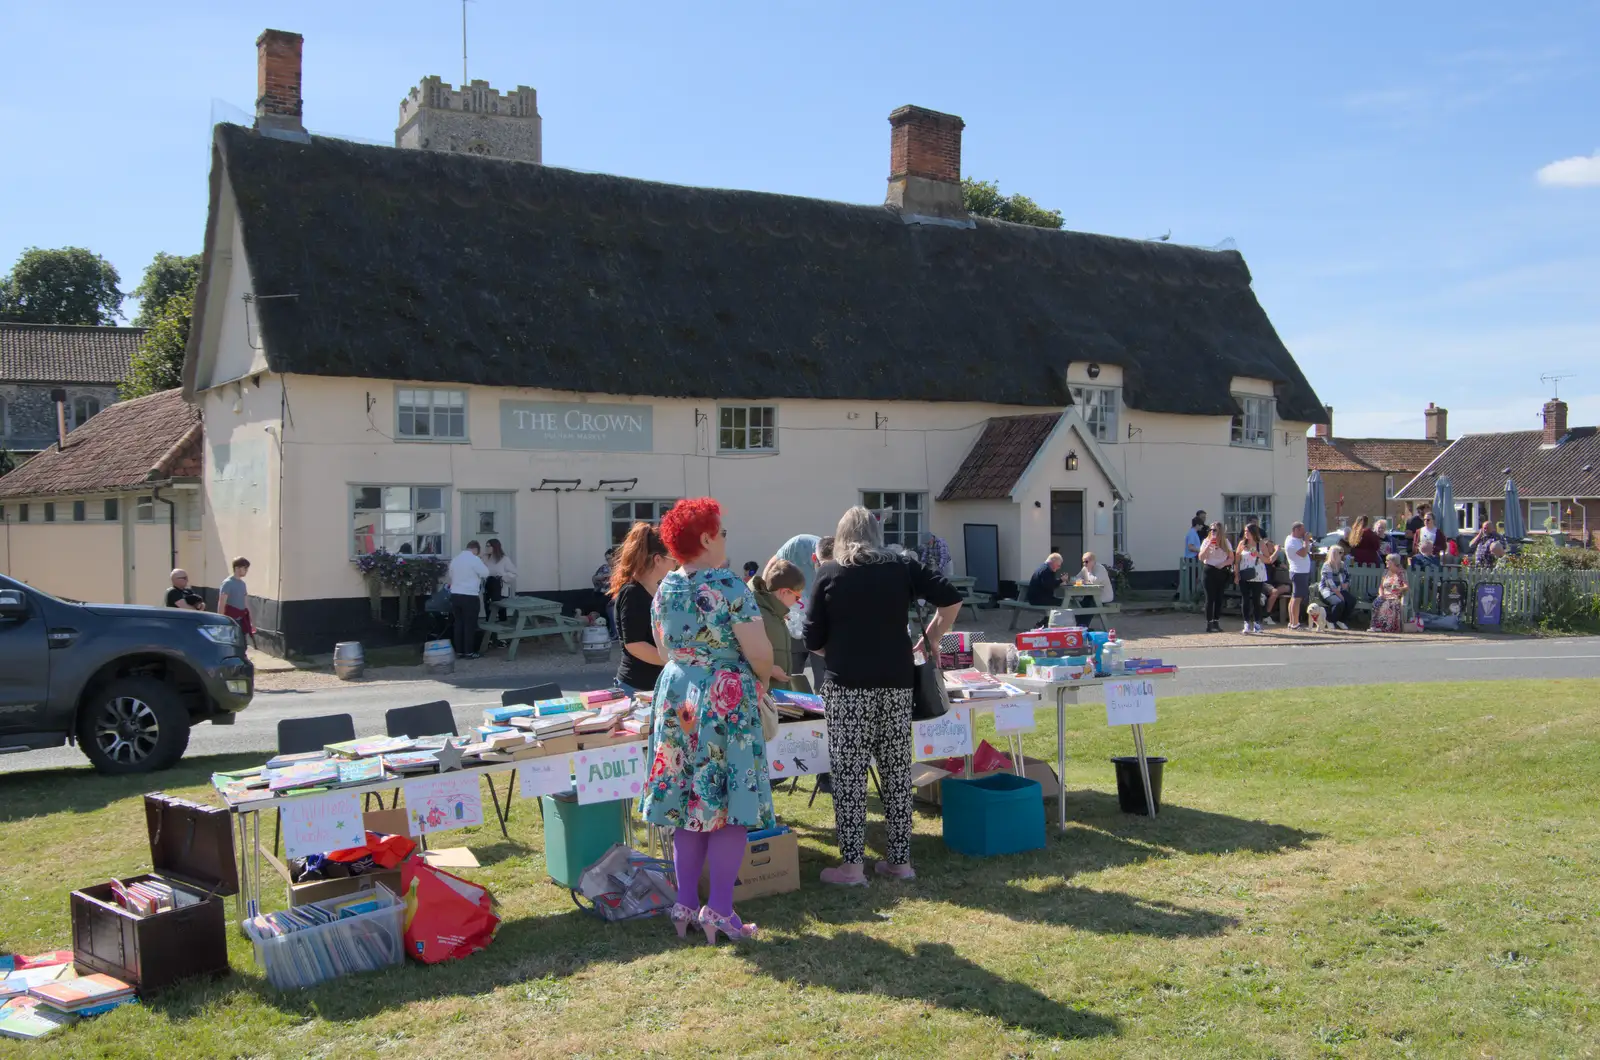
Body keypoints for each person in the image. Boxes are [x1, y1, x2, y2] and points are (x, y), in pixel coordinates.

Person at [805, 506, 962, 887]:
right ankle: (900, 861)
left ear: (840, 537)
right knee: (895, 771)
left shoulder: (829, 573)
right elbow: (951, 598)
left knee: (850, 775)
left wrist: (840, 651)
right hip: (896, 682)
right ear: (876, 536)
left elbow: (812, 638)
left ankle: (852, 866)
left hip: (848, 688)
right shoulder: (902, 566)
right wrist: (934, 637)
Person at [642, 497, 775, 944]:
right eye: (721, 532)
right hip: (724, 699)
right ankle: (719, 908)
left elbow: (664, 651)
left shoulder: (665, 587)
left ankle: (684, 902)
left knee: (686, 803)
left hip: (677, 696)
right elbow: (759, 652)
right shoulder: (731, 586)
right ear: (705, 538)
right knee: (728, 805)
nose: (724, 539)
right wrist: (758, 679)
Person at [610, 522, 674, 696]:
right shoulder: (632, 592)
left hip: (654, 685)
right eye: (673, 559)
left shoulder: (659, 590)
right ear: (658, 559)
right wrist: (674, 662)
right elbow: (635, 644)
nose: (675, 565)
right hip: (636, 687)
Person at [748, 558, 807, 692]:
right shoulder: (758, 614)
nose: (797, 603)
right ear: (783, 592)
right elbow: (742, 654)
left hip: (776, 695)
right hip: (764, 697)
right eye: (796, 597)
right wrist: (770, 670)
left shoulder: (775, 613)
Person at [447, 540, 489, 659]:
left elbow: (451, 575)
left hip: (455, 595)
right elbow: (485, 573)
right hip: (469, 595)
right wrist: (482, 562)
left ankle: (459, 651)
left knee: (459, 623)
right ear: (476, 550)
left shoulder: (455, 559)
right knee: (469, 625)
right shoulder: (474, 559)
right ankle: (469, 651)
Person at [1197, 523, 1233, 633]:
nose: (1212, 532)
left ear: (1220, 531)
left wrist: (1223, 564)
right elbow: (1201, 557)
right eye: (1211, 530)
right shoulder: (1206, 541)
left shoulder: (1225, 542)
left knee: (1219, 598)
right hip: (1209, 570)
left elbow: (1231, 558)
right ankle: (1209, 623)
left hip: (1221, 571)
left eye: (1215, 530)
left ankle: (1216, 621)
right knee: (1210, 598)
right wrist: (1209, 545)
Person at [1234, 523, 1268, 634]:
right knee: (1245, 599)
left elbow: (1268, 560)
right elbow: (1237, 560)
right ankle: (1246, 623)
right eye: (1244, 531)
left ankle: (1257, 623)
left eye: (1247, 531)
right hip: (1245, 574)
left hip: (1258, 574)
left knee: (1256, 599)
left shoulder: (1261, 543)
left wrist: (1258, 554)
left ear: (1254, 532)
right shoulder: (1242, 543)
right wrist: (1236, 574)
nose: (1245, 534)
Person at [1071, 551, 1114, 629]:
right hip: (1090, 595)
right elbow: (1075, 578)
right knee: (1081, 605)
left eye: (1086, 562)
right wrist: (1080, 580)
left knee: (1090, 607)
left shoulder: (1100, 569)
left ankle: (1083, 627)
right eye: (1083, 562)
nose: (1084, 564)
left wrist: (1089, 571)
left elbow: (1095, 582)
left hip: (1103, 596)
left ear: (1092, 561)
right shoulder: (1085, 568)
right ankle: (1079, 626)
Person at [218, 557, 255, 646]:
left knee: (242, 643)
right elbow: (222, 603)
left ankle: (242, 657)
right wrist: (220, 621)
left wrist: (251, 620)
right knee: (231, 643)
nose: (246, 570)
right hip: (231, 619)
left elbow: (245, 603)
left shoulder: (243, 584)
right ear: (237, 568)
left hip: (242, 618)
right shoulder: (228, 583)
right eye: (245, 568)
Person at [1283, 522, 1312, 629]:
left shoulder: (1297, 540)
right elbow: (1303, 553)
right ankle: (1295, 623)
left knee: (1294, 597)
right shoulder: (1291, 542)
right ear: (1296, 530)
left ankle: (1292, 622)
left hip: (1301, 571)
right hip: (1298, 572)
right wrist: (1306, 541)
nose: (1303, 532)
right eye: (1302, 530)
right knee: (1297, 598)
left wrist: (1306, 541)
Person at [1370, 553, 1409, 633]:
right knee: (1376, 603)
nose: (1386, 562)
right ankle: (1374, 626)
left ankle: (1384, 627)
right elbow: (1381, 586)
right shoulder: (1385, 572)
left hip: (1394, 597)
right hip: (1384, 595)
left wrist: (1399, 589)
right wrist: (1381, 594)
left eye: (1388, 560)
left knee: (1387, 605)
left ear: (1394, 562)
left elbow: (1406, 586)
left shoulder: (1401, 573)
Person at [1318, 545, 1354, 630]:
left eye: (1341, 553)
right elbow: (1330, 583)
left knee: (1352, 600)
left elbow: (1348, 576)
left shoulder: (1342, 564)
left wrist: (1347, 583)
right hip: (1327, 591)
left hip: (1339, 589)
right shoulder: (1327, 566)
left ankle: (1341, 620)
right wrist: (1340, 595)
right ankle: (1330, 620)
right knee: (1339, 602)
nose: (1341, 554)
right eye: (1338, 553)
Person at [482, 539, 517, 619]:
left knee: (501, 611)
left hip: (500, 589)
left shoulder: (504, 559)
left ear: (495, 547)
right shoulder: (485, 559)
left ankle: (502, 627)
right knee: (489, 610)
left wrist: (502, 577)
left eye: (489, 546)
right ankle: (490, 628)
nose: (486, 548)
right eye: (486, 546)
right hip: (488, 589)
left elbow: (514, 573)